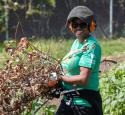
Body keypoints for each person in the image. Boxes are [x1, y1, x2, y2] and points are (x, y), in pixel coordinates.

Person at [55, 6, 103, 115]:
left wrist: (60, 78)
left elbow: (83, 79)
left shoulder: (91, 46)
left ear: (91, 26)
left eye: (82, 24)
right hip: (69, 101)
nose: (78, 28)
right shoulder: (77, 43)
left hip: (83, 106)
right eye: (75, 24)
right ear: (71, 27)